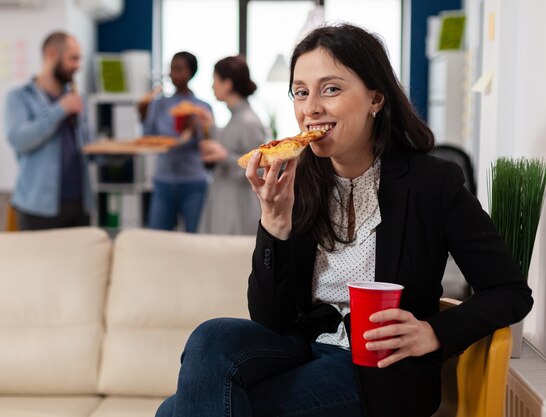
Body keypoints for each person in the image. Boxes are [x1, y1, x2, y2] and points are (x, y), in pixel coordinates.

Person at [155, 24, 533, 417]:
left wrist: (433, 332)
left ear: (375, 97)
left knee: (173, 412)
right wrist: (274, 224)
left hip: (377, 371)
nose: (310, 108)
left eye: (330, 89)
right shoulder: (298, 178)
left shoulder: (431, 182)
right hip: (302, 347)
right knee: (210, 336)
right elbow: (270, 319)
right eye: (300, 92)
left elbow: (510, 291)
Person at [4, 31, 92, 230]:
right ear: (52, 54)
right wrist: (60, 110)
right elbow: (19, 140)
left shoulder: (76, 99)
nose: (78, 66)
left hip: (79, 205)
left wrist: (115, 151)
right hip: (37, 210)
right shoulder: (19, 97)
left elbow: (88, 147)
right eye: (73, 58)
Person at [143, 51, 213, 233]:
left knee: (195, 237)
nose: (173, 74)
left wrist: (199, 129)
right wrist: (141, 113)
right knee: (157, 237)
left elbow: (210, 146)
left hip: (194, 182)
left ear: (191, 73)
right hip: (163, 181)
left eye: (179, 69)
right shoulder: (158, 105)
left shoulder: (202, 108)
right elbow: (147, 136)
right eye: (171, 69)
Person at [198, 55, 266, 235]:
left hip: (237, 210)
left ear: (227, 84)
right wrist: (211, 128)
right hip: (225, 204)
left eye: (215, 81)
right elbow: (232, 145)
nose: (212, 86)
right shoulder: (236, 118)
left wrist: (225, 157)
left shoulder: (248, 122)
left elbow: (262, 169)